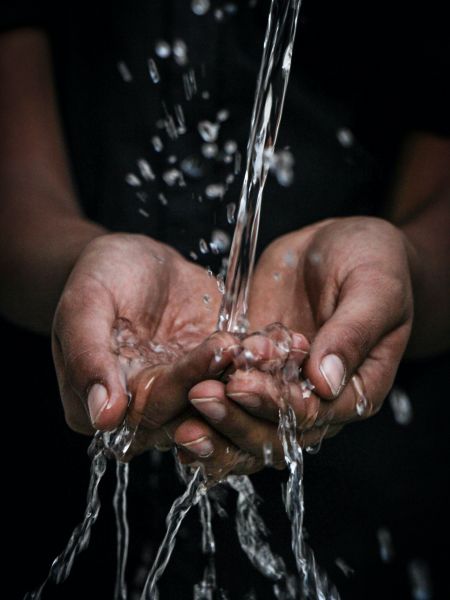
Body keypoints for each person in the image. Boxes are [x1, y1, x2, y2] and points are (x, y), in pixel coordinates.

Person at [1, 1, 449, 598]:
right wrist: (78, 270)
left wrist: (404, 270)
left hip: (371, 475)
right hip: (45, 456)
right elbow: (14, 211)